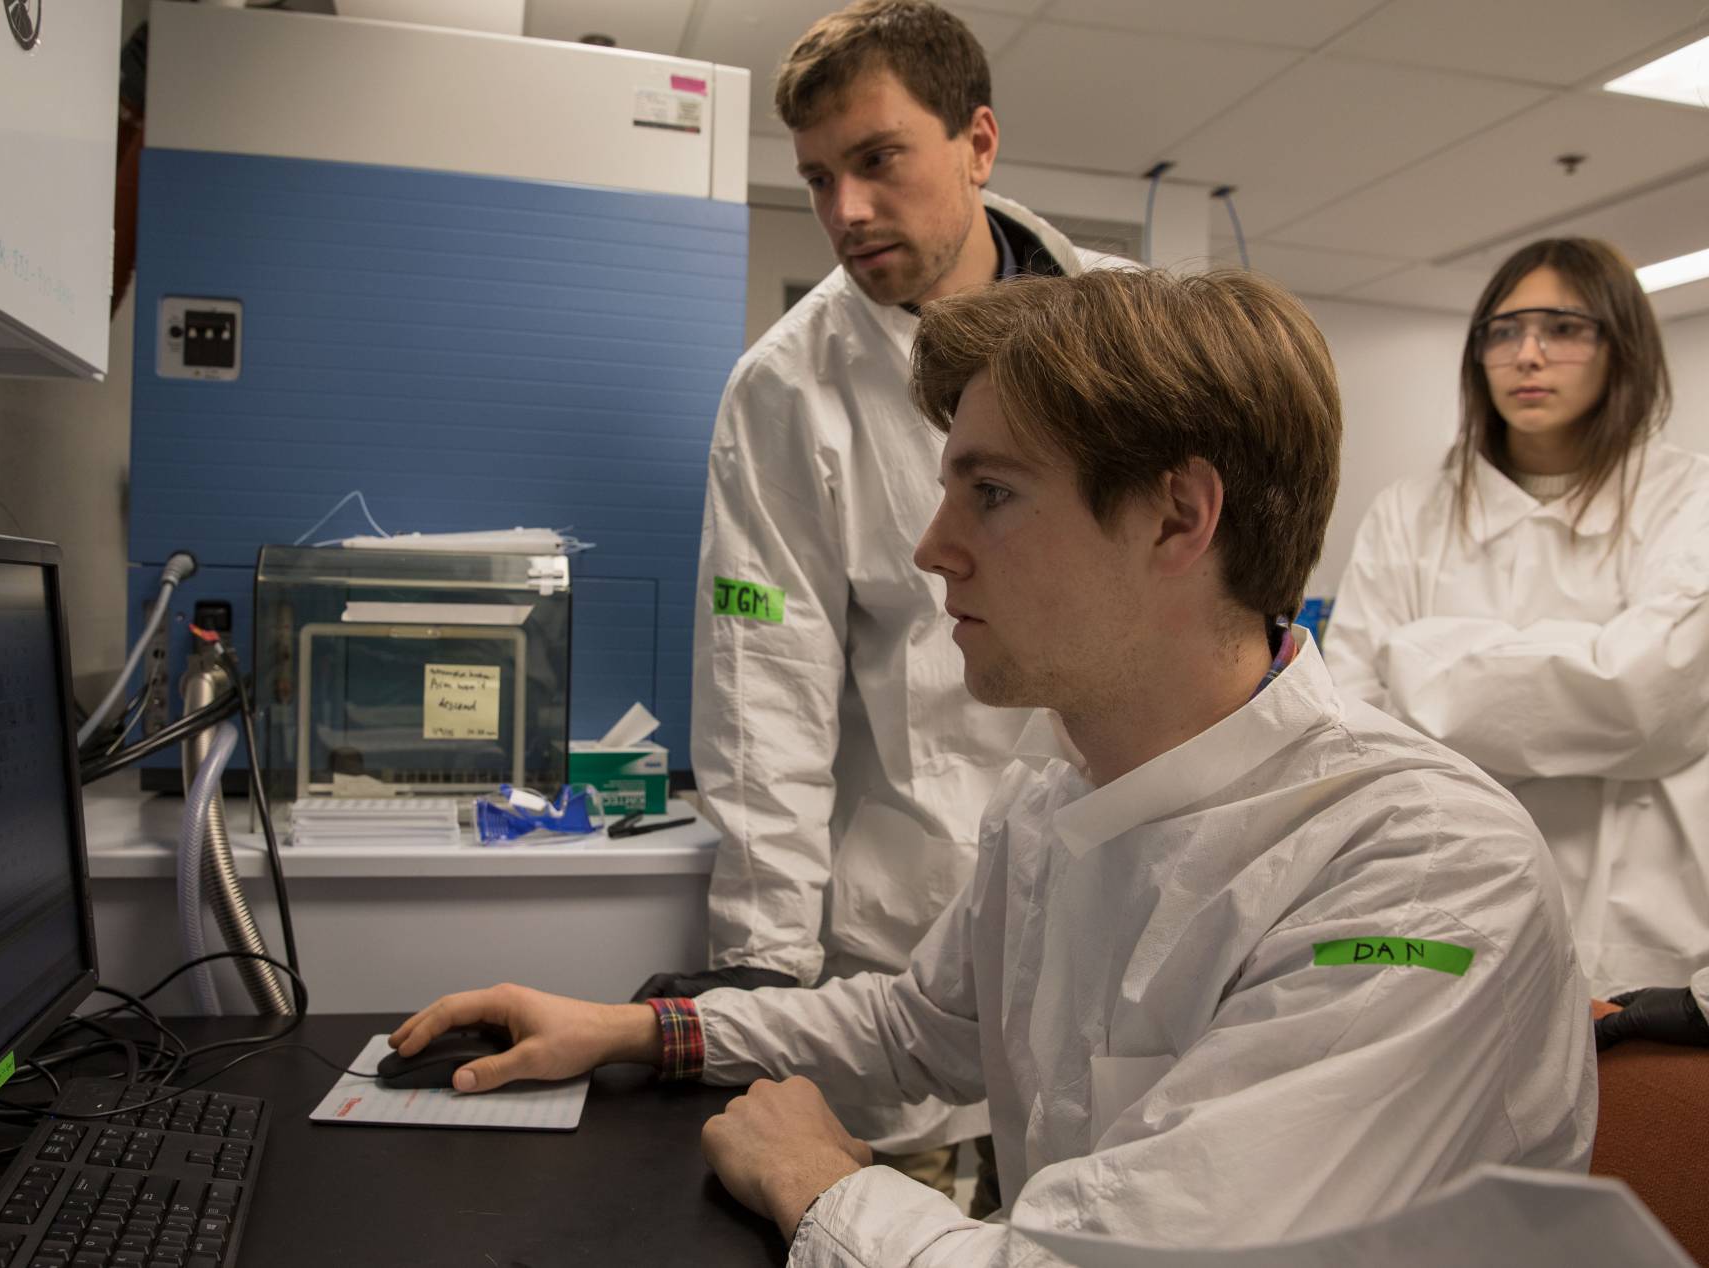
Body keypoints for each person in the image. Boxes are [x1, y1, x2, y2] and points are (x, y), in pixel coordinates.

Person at [397, 269, 1595, 1260]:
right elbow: (918, 1029)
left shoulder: (1419, 875)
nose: (933, 548)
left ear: (1180, 518)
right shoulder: (1057, 795)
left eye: (994, 492)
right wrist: (635, 1029)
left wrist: (817, 1184)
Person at [631, 0, 1124, 1197]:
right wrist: (758, 968)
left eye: (878, 159)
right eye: (815, 178)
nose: (846, 209)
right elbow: (768, 697)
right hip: (902, 937)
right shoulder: (788, 389)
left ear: (979, 142)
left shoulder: (1133, 331)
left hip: (1121, 906)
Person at [1323, 238, 1709, 1001]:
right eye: (1503, 331)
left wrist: (1421, 659)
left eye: (1563, 328)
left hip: (1640, 926)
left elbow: (1646, 700)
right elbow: (1351, 727)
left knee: (1641, 1115)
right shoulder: (1410, 513)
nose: (1527, 355)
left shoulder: (1691, 500)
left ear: (1620, 346)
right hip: (1437, 902)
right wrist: (1582, 678)